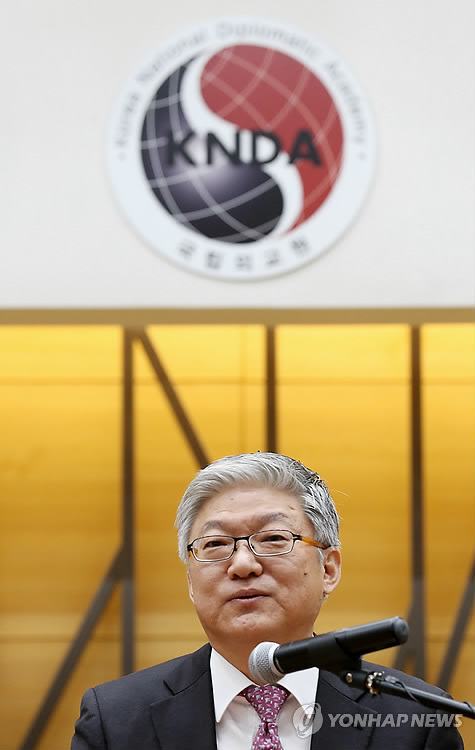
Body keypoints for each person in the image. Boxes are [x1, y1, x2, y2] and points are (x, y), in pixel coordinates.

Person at [71, 452, 463, 749]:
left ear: (328, 568)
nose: (242, 564)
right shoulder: (116, 721)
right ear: (190, 581)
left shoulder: (417, 721)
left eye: (273, 539)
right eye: (215, 544)